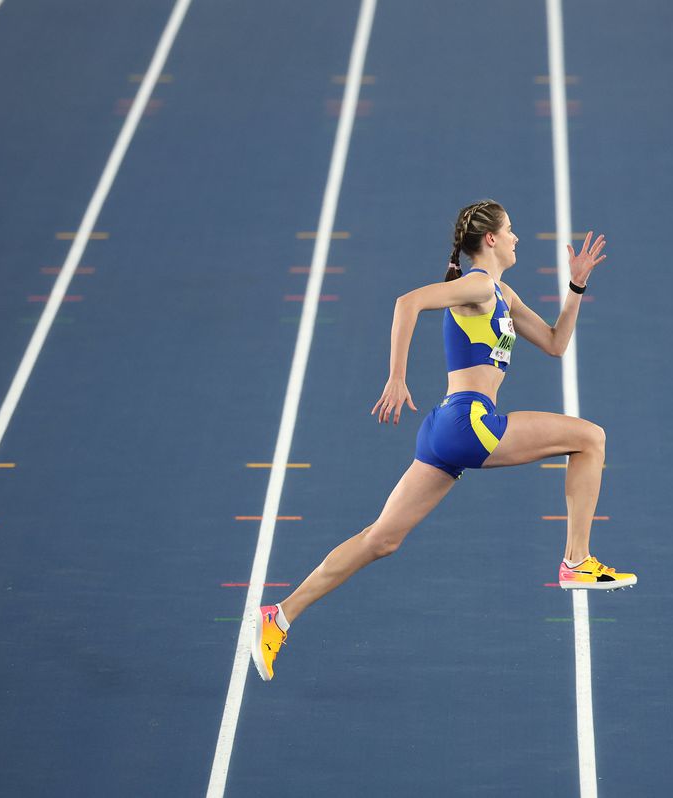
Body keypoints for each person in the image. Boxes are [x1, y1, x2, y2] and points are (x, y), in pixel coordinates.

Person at [251, 199, 636, 681]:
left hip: (445, 429)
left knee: (381, 539)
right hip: (470, 423)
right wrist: (396, 376)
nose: (517, 238)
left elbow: (557, 344)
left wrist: (576, 286)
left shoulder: (502, 294)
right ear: (490, 239)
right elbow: (406, 303)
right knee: (591, 439)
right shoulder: (475, 284)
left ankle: (279, 616)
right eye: (511, 230)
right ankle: (577, 561)